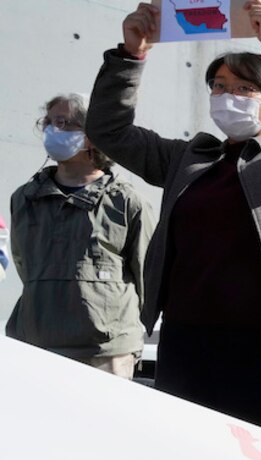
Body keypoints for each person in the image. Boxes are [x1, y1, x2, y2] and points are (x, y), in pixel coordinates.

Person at [85, 0, 261, 435]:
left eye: (245, 89)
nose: (228, 96)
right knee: (182, 455)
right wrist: (130, 56)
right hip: (187, 340)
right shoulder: (186, 158)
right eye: (219, 86)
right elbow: (108, 131)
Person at [6, 94, 154, 378]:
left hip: (105, 352)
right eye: (47, 122)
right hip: (37, 344)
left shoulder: (126, 201)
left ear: (92, 134)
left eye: (62, 122)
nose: (51, 130)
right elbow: (25, 264)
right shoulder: (25, 198)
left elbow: (147, 274)